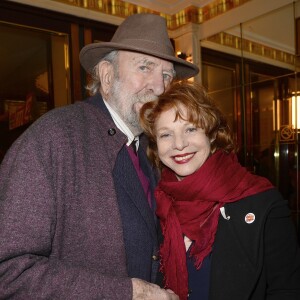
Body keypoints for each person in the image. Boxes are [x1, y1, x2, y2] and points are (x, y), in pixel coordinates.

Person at [0, 14, 199, 299]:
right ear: (107, 76)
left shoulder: (153, 148)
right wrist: (129, 292)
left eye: (167, 75)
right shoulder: (53, 137)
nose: (159, 86)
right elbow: (8, 271)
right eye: (145, 67)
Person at [139, 81, 300, 300]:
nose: (179, 144)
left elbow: (287, 290)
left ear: (212, 135)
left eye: (190, 129)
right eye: (165, 134)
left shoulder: (262, 203)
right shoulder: (156, 203)